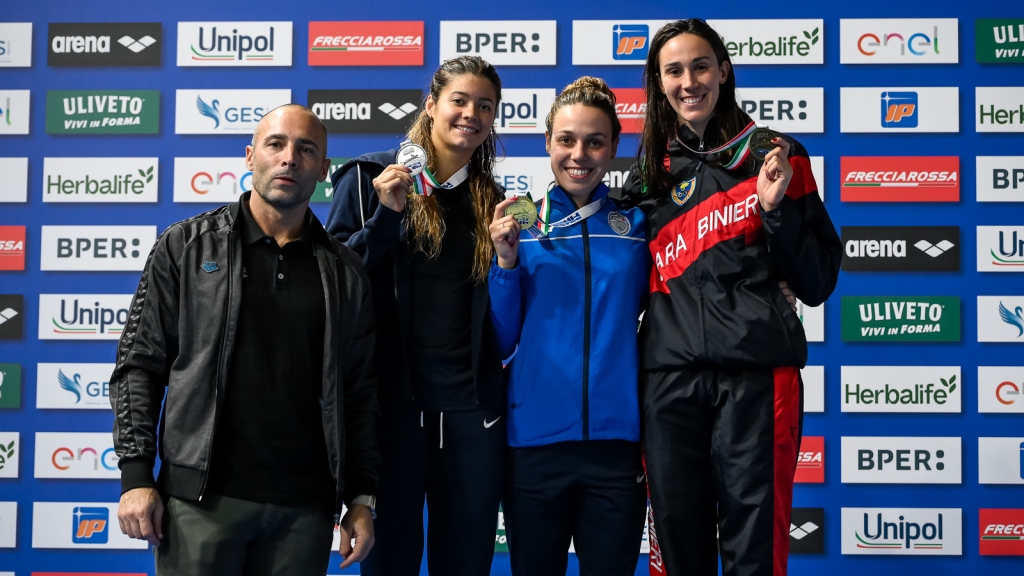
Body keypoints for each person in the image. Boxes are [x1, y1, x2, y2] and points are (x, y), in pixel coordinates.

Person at [110, 104, 380, 575]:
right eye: (276, 144)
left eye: (306, 150)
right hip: (200, 502)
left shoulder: (346, 272)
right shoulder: (186, 247)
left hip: (304, 510)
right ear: (250, 155)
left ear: (322, 170)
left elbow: (359, 393)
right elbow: (139, 365)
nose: (289, 159)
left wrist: (360, 496)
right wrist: (135, 474)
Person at [619, 19, 842, 576]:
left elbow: (816, 283)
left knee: (756, 552)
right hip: (668, 382)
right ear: (658, 82)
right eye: (674, 70)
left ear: (723, 71)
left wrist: (774, 213)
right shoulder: (649, 170)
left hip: (757, 378)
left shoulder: (775, 155)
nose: (688, 82)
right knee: (676, 551)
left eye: (700, 66)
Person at [324, 56, 506, 576]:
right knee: (390, 565)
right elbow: (335, 281)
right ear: (430, 106)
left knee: (466, 564)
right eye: (459, 100)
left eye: (485, 106)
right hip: (391, 416)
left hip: (470, 417)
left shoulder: (492, 202)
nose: (471, 113)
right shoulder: (366, 179)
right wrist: (387, 216)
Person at [487, 77, 649, 576]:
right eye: (567, 140)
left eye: (595, 141)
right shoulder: (518, 225)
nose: (580, 154)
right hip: (534, 448)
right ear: (548, 142)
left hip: (616, 448)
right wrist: (506, 265)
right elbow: (500, 339)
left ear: (615, 147)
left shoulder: (638, 226)